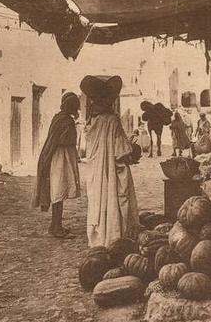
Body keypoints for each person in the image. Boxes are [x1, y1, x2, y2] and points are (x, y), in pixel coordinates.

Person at [81, 75, 139, 247]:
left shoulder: (91, 122)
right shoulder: (112, 121)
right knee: (115, 199)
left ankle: (99, 238)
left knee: (98, 201)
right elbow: (121, 152)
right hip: (112, 171)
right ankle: (114, 237)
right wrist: (132, 150)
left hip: (95, 171)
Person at [31, 92, 81, 238]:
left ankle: (55, 225)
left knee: (59, 191)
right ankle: (56, 227)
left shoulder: (58, 117)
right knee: (59, 191)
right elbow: (67, 140)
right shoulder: (66, 120)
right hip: (60, 158)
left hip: (57, 156)